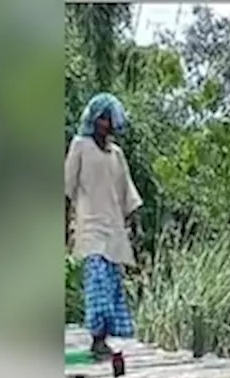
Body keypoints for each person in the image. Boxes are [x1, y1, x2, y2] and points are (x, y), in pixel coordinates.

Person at [64, 92, 143, 359]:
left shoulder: (116, 155)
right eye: (102, 119)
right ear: (93, 119)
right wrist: (65, 224)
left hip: (113, 228)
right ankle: (97, 338)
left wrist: (133, 224)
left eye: (110, 120)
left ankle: (105, 338)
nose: (106, 124)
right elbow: (67, 188)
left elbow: (127, 192)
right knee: (97, 280)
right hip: (90, 226)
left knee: (111, 284)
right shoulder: (80, 147)